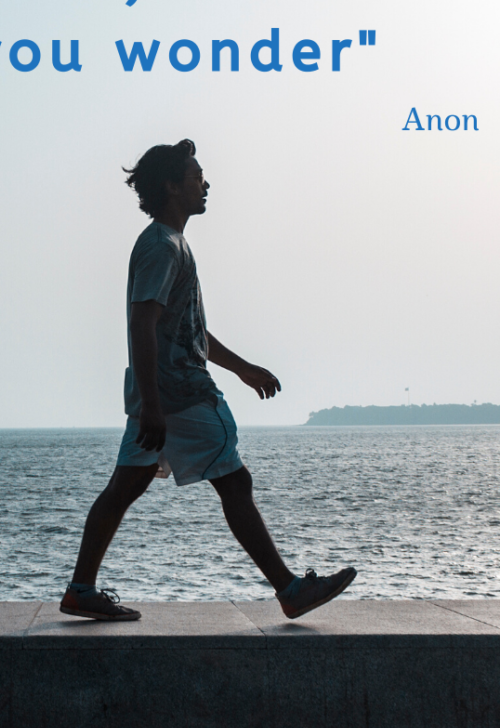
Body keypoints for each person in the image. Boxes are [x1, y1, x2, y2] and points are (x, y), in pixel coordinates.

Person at [60, 139, 356, 621]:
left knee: (124, 488)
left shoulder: (169, 243)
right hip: (182, 397)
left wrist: (240, 367)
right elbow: (143, 324)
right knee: (235, 482)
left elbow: (186, 326)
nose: (206, 183)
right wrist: (155, 406)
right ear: (173, 186)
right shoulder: (161, 246)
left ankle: (79, 590)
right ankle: (289, 589)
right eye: (197, 176)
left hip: (159, 396)